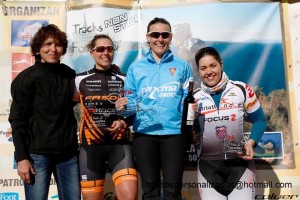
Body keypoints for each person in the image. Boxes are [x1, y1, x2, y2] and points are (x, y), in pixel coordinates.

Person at [115, 17, 193, 200]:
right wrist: (122, 108)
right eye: (155, 34)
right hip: (144, 135)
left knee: (173, 192)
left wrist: (190, 124)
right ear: (148, 37)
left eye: (165, 35)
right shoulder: (136, 68)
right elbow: (130, 102)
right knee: (150, 192)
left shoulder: (183, 66)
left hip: (174, 135)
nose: (160, 39)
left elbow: (187, 101)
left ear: (170, 37)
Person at [8, 24, 80, 200]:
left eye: (57, 45)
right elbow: (17, 120)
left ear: (63, 48)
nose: (53, 49)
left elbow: (64, 108)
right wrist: (22, 158)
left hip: (68, 155)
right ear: (38, 48)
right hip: (37, 155)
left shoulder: (69, 74)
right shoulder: (26, 79)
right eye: (47, 44)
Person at [193, 47, 267, 199]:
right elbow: (184, 130)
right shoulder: (194, 97)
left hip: (239, 165)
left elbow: (259, 120)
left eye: (213, 65)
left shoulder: (241, 89)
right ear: (199, 71)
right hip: (208, 168)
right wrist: (188, 118)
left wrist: (250, 143)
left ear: (221, 64)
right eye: (203, 68)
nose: (209, 72)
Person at [74, 34, 137, 200]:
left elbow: (135, 109)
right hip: (90, 148)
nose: (106, 53)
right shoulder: (79, 79)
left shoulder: (124, 79)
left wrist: (124, 122)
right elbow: (64, 107)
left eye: (110, 49)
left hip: (119, 145)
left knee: (129, 197)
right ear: (91, 53)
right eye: (100, 49)